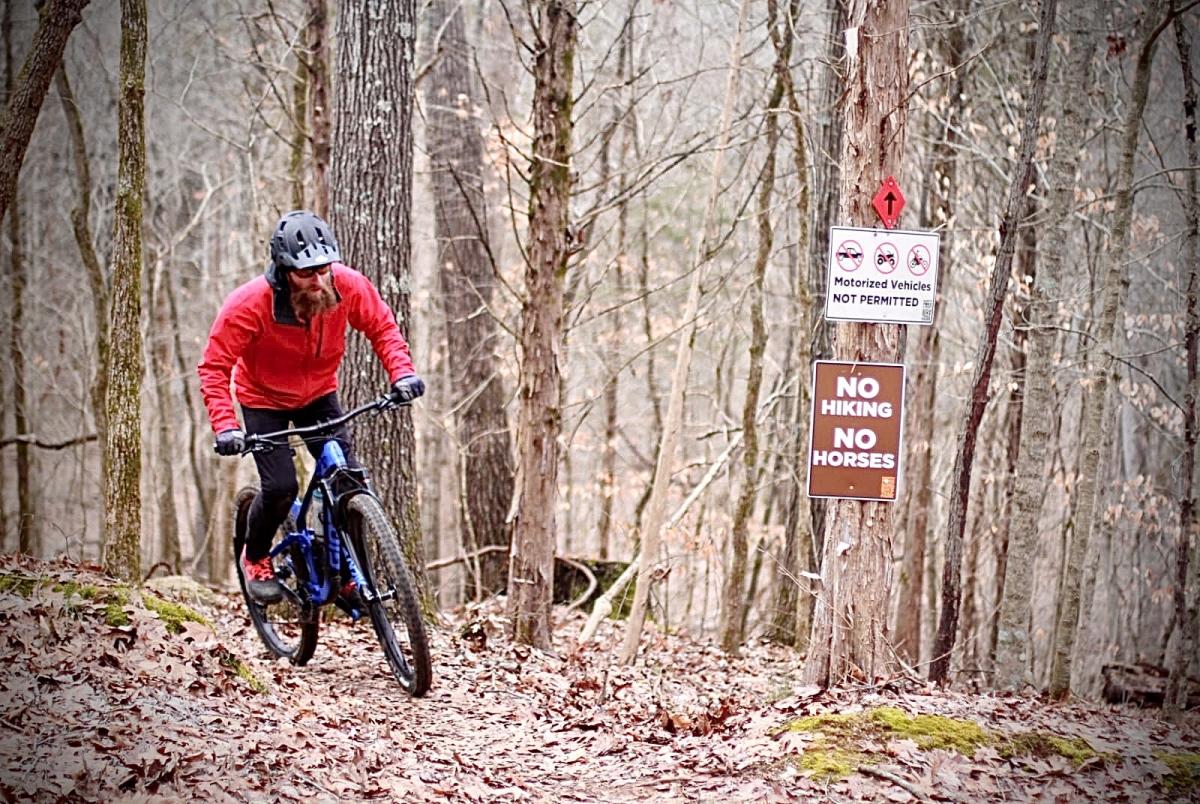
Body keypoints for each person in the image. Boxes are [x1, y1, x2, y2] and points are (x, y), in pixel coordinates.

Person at [198, 210, 425, 604]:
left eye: (323, 268)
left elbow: (383, 328)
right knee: (281, 486)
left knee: (347, 481)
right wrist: (226, 426)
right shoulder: (250, 304)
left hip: (319, 394)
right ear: (284, 270)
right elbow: (214, 366)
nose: (318, 280)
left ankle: (350, 575)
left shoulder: (347, 285)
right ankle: (255, 557)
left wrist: (402, 374)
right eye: (306, 273)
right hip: (262, 399)